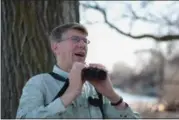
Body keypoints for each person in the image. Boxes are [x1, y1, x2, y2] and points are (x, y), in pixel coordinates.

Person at [16, 23, 140, 119]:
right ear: (55, 47)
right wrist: (69, 94)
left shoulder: (95, 87)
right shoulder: (39, 83)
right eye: (75, 39)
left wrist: (113, 96)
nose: (82, 45)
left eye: (85, 41)